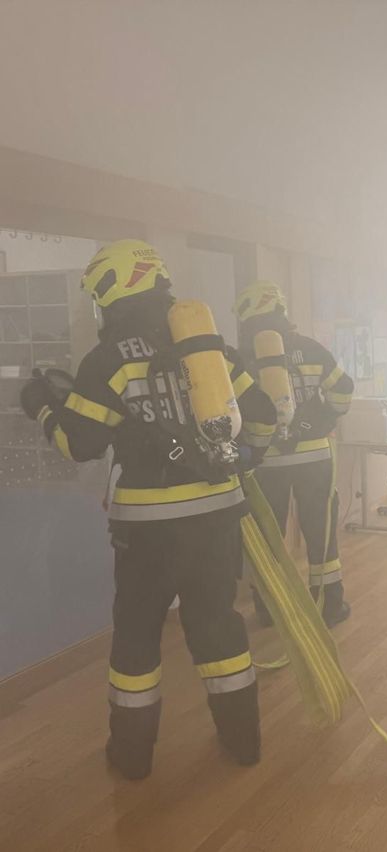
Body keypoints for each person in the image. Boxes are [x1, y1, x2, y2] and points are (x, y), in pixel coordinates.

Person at [19, 240, 277, 780]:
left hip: (146, 528)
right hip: (216, 517)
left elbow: (79, 445)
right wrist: (244, 456)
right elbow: (262, 417)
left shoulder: (107, 359)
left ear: (110, 293)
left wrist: (42, 406)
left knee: (137, 636)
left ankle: (132, 758)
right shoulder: (210, 349)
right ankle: (244, 742)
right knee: (218, 627)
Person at [233, 281, 354, 627]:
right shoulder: (312, 349)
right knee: (321, 534)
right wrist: (319, 421)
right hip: (315, 458)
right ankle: (330, 607)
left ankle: (269, 610)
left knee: (270, 538)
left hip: (265, 463)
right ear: (281, 310)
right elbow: (343, 392)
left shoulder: (242, 359)